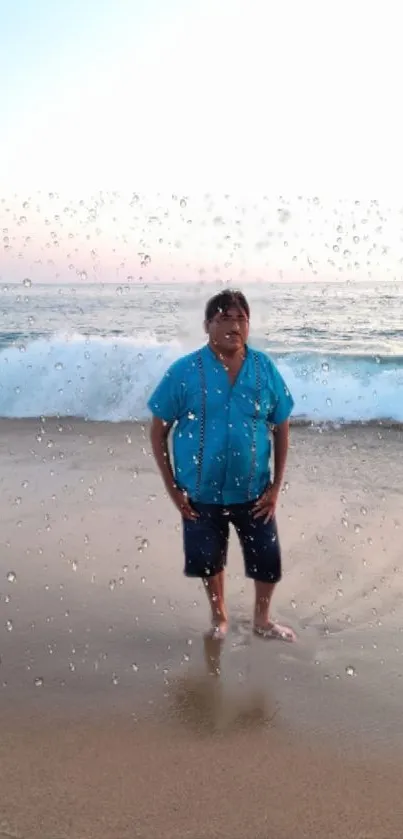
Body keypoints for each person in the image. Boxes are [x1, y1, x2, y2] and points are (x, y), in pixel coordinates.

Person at [147, 289, 296, 642]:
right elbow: (158, 432)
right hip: (200, 492)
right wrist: (173, 489)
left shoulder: (264, 370)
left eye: (241, 318)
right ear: (207, 325)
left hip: (254, 490)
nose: (234, 325)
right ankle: (220, 618)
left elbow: (282, 425)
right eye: (224, 318)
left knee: (268, 560)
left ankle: (262, 620)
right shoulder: (184, 372)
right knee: (208, 561)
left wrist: (275, 487)